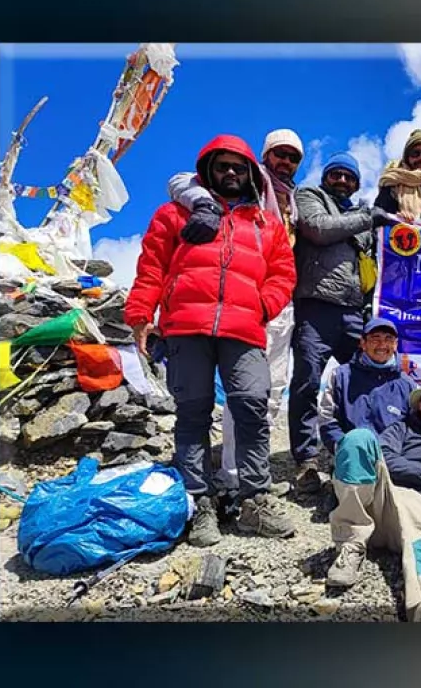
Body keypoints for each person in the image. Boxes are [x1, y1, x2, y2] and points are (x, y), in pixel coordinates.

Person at [125, 135, 298, 546]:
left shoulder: (267, 224)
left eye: (239, 167)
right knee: (193, 413)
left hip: (244, 327)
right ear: (208, 170)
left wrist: (262, 305)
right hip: (186, 326)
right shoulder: (174, 214)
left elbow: (283, 273)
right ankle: (200, 502)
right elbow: (151, 267)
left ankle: (254, 498)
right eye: (223, 166)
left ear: (251, 174)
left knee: (253, 403)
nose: (231, 173)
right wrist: (140, 317)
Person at [169, 128, 305, 498]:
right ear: (265, 155)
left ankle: (249, 482)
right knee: (231, 397)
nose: (285, 162)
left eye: (293, 157)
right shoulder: (245, 177)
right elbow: (180, 180)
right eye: (279, 154)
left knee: (265, 393)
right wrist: (204, 204)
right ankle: (228, 477)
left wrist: (266, 304)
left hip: (269, 303)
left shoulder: (293, 198)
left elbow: (285, 263)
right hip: (227, 306)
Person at [324, 374, 421, 621]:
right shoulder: (402, 429)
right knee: (357, 438)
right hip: (382, 505)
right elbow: (385, 456)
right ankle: (350, 542)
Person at [291, 152, 401, 493]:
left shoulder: (360, 214)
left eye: (348, 177)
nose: (341, 181)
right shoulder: (309, 197)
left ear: (356, 184)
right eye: (336, 174)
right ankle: (307, 459)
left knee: (366, 376)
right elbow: (318, 229)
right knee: (307, 381)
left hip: (355, 312)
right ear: (325, 177)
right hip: (316, 307)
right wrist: (368, 218)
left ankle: (362, 446)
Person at [317, 317, 418, 476]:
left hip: (392, 462)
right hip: (350, 457)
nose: (382, 345)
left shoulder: (408, 385)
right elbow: (326, 420)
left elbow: (415, 429)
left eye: (388, 339)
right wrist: (344, 447)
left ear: (395, 344)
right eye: (375, 339)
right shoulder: (341, 375)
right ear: (363, 343)